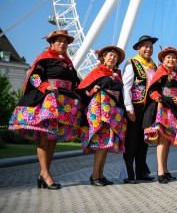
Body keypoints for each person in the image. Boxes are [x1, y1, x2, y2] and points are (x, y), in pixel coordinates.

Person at [9, 30, 81, 190]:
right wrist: (45, 85)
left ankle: (44, 173)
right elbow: (34, 77)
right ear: (52, 43)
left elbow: (76, 83)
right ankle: (46, 175)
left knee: (53, 140)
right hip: (47, 102)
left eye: (65, 42)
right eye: (59, 41)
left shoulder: (68, 63)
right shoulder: (45, 58)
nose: (62, 44)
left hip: (63, 102)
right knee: (44, 138)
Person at [75, 46, 127, 186]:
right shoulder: (97, 72)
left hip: (113, 111)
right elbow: (82, 91)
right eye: (110, 55)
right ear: (103, 57)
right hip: (100, 110)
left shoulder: (117, 74)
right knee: (101, 143)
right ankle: (95, 176)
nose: (112, 58)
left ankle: (100, 175)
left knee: (106, 144)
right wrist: (92, 90)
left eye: (115, 56)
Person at [143, 46, 177, 184]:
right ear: (163, 59)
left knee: (167, 140)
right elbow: (153, 89)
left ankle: (166, 170)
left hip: (173, 109)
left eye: (173, 57)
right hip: (162, 108)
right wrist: (156, 96)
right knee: (162, 139)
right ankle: (160, 171)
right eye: (168, 57)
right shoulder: (160, 72)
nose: (171, 60)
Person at [122, 35, 158, 184]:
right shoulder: (132, 64)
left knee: (144, 141)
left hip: (149, 108)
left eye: (150, 46)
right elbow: (126, 87)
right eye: (145, 46)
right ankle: (129, 174)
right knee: (132, 140)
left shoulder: (154, 66)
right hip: (135, 107)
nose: (148, 49)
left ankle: (141, 172)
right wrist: (129, 108)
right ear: (138, 48)